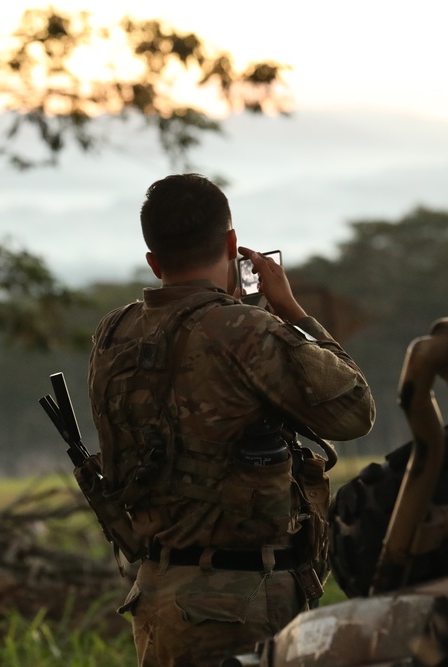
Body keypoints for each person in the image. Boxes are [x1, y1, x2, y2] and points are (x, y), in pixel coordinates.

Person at [87, 173, 375, 666]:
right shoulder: (246, 330)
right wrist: (293, 314)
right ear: (232, 243)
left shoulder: (115, 331)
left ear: (154, 261)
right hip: (237, 602)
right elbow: (353, 412)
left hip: (155, 591)